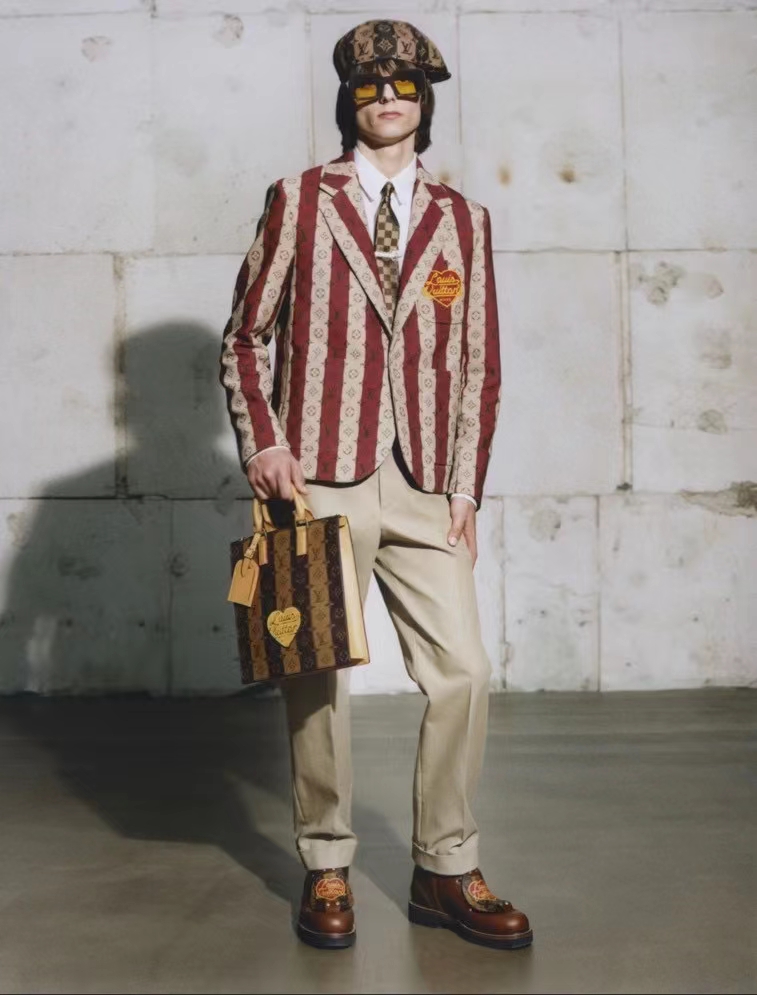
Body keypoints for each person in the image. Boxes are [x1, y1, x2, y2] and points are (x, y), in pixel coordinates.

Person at [220, 19, 532, 951]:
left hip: (427, 482)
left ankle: (445, 865)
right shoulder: (298, 199)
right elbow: (244, 337)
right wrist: (264, 443)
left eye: (403, 87)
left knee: (464, 671)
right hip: (318, 477)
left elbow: (478, 366)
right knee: (316, 672)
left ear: (424, 102)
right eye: (369, 87)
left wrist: (465, 490)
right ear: (348, 100)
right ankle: (326, 861)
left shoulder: (463, 220)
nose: (387, 99)